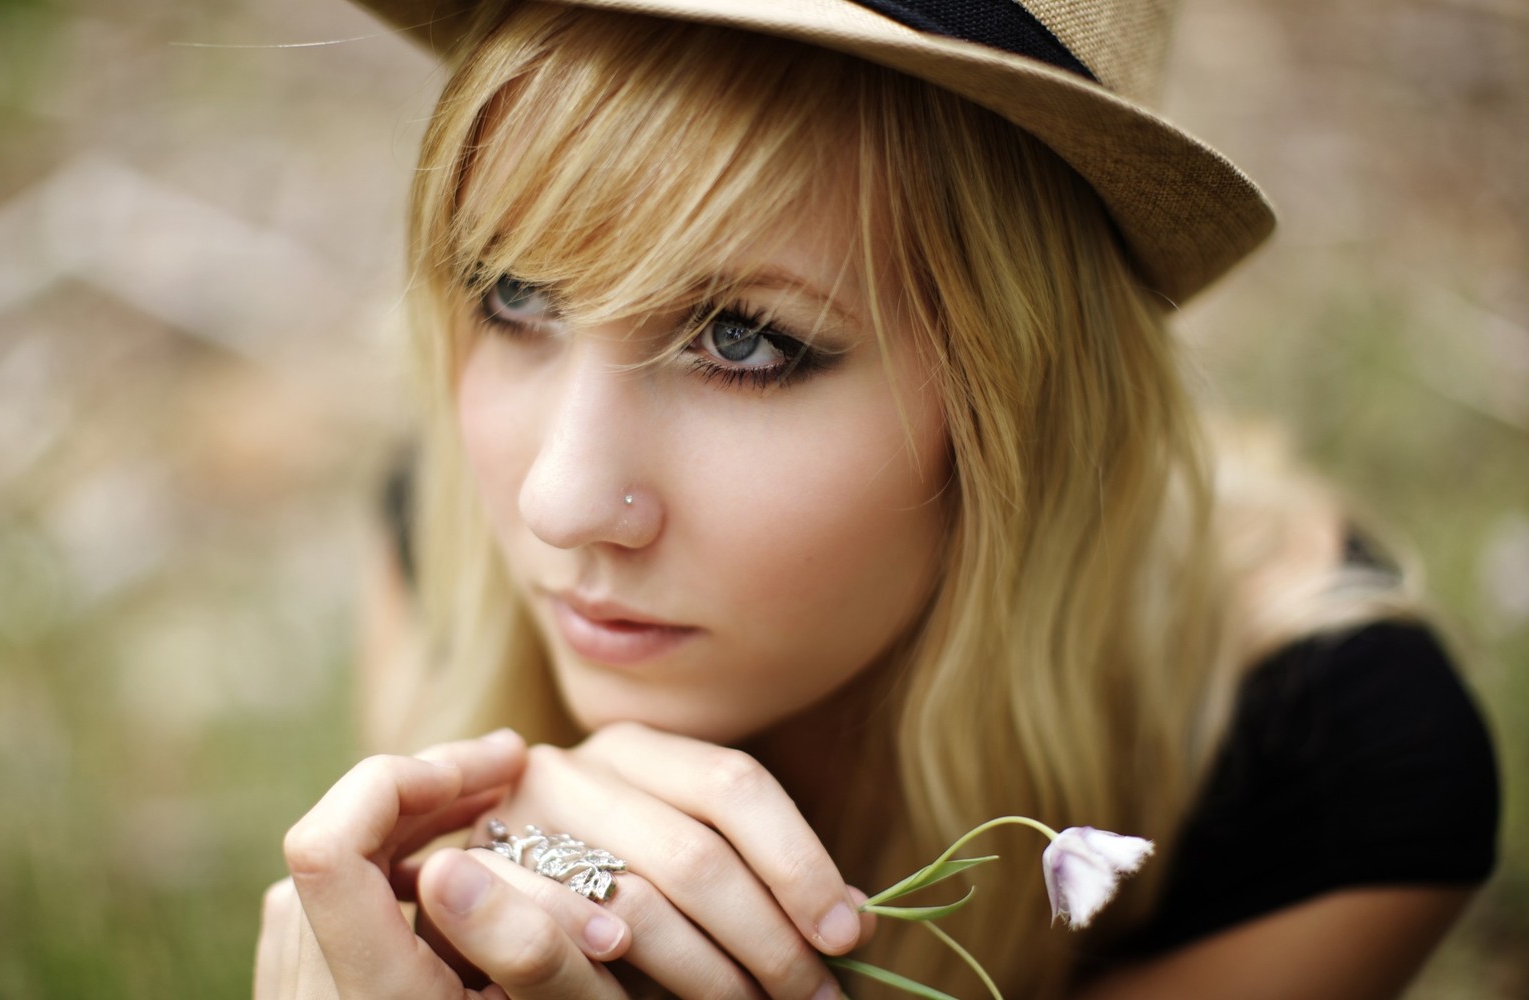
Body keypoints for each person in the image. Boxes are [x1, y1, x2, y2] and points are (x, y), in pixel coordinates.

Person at [253, 2, 1500, 998]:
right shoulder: (443, 547)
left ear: (1018, 400)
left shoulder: (1334, 777)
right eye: (516, 297)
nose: (557, 501)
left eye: (743, 341)